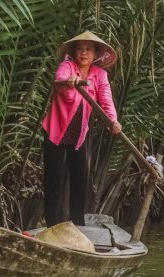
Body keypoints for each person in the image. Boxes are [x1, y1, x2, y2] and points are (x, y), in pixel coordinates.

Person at [42, 31, 121, 227]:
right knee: (54, 180)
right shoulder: (67, 66)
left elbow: (106, 100)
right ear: (74, 52)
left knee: (79, 181)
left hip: (79, 135)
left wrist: (113, 121)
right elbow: (60, 81)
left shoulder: (100, 75)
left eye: (88, 49)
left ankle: (77, 225)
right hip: (55, 132)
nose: (83, 52)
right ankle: (53, 225)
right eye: (80, 48)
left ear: (95, 54)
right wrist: (70, 83)